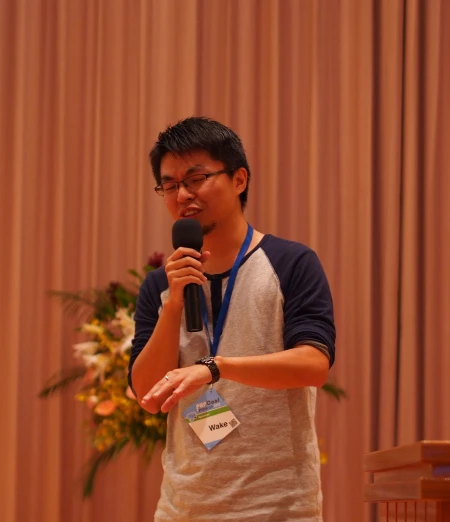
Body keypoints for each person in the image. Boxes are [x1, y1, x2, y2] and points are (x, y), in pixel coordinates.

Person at [128, 116, 336, 522]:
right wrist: (172, 307)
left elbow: (314, 364)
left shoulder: (291, 263)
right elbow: (146, 393)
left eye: (196, 178)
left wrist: (215, 368)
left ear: (239, 179)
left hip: (278, 506)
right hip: (182, 508)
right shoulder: (160, 286)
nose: (182, 194)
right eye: (169, 185)